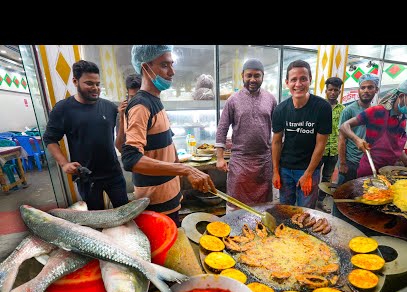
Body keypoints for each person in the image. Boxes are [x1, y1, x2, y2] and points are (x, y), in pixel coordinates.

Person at [122, 45, 215, 226]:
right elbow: (130, 158)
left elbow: (167, 143)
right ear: (145, 68)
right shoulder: (141, 106)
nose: (172, 72)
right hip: (155, 202)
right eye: (164, 65)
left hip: (170, 196)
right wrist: (186, 170)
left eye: (172, 64)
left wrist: (182, 169)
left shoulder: (155, 101)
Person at [43, 60, 129, 210]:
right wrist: (64, 163)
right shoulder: (63, 109)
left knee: (124, 212)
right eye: (89, 83)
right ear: (75, 81)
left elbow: (122, 135)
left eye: (97, 84)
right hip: (86, 177)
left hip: (114, 173)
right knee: (96, 218)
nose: (95, 88)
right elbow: (50, 138)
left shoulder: (109, 107)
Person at [215, 58, 277, 212]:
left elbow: (278, 131)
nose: (253, 79)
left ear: (263, 77)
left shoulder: (271, 99)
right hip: (240, 161)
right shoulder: (233, 100)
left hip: (264, 161)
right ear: (242, 75)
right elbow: (222, 128)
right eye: (249, 75)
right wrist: (220, 157)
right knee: (235, 204)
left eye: (257, 76)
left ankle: (260, 234)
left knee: (263, 207)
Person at [340, 77, 407, 177]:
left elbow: (395, 147)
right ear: (401, 96)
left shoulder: (402, 117)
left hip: (389, 171)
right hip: (370, 169)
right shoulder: (377, 111)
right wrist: (357, 139)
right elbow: (344, 126)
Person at [272, 60, 332, 209]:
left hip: (309, 168)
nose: (298, 84)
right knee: (285, 210)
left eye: (303, 78)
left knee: (305, 212)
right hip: (285, 168)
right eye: (293, 79)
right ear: (287, 83)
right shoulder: (280, 109)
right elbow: (276, 142)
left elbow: (321, 144)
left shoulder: (322, 107)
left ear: (310, 80)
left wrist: (308, 174)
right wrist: (275, 171)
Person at [337, 73, 379, 185]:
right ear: (358, 90)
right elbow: (341, 138)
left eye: (370, 87)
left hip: (368, 160)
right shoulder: (349, 110)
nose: (366, 91)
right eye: (363, 87)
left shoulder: (376, 111)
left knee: (362, 192)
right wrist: (342, 163)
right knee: (342, 194)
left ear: (376, 90)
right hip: (350, 162)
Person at [317, 77, 344, 211]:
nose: (333, 92)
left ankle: (320, 201)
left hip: (334, 150)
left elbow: (343, 131)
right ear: (326, 90)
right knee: (314, 174)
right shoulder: (319, 107)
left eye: (335, 90)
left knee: (327, 177)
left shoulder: (343, 110)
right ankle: (309, 199)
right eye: (330, 90)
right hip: (318, 149)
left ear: (339, 91)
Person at [116, 73, 142, 152]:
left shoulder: (149, 109)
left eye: (139, 97)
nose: (136, 101)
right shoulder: (122, 114)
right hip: (133, 160)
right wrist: (122, 118)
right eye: (132, 97)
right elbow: (120, 147)